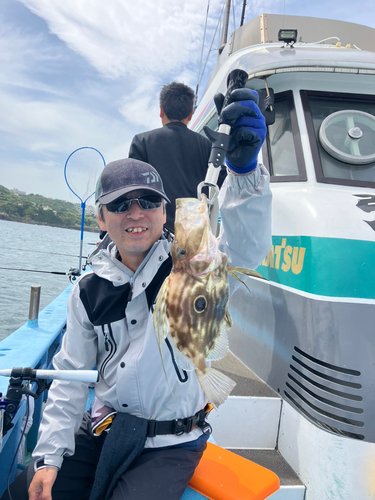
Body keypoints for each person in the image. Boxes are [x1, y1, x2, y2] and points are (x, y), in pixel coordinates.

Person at [2, 88, 271, 500]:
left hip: (173, 442)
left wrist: (246, 173)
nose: (136, 212)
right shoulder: (88, 291)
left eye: (148, 200)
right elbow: (71, 379)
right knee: (27, 493)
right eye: (121, 203)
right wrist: (48, 457)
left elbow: (247, 247)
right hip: (105, 429)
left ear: (164, 211)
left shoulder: (188, 264)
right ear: (101, 216)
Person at [128, 82, 226, 232]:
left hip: (153, 233)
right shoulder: (207, 146)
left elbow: (132, 189)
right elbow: (221, 181)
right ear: (191, 113)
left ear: (161, 109)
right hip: (192, 236)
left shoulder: (142, 142)